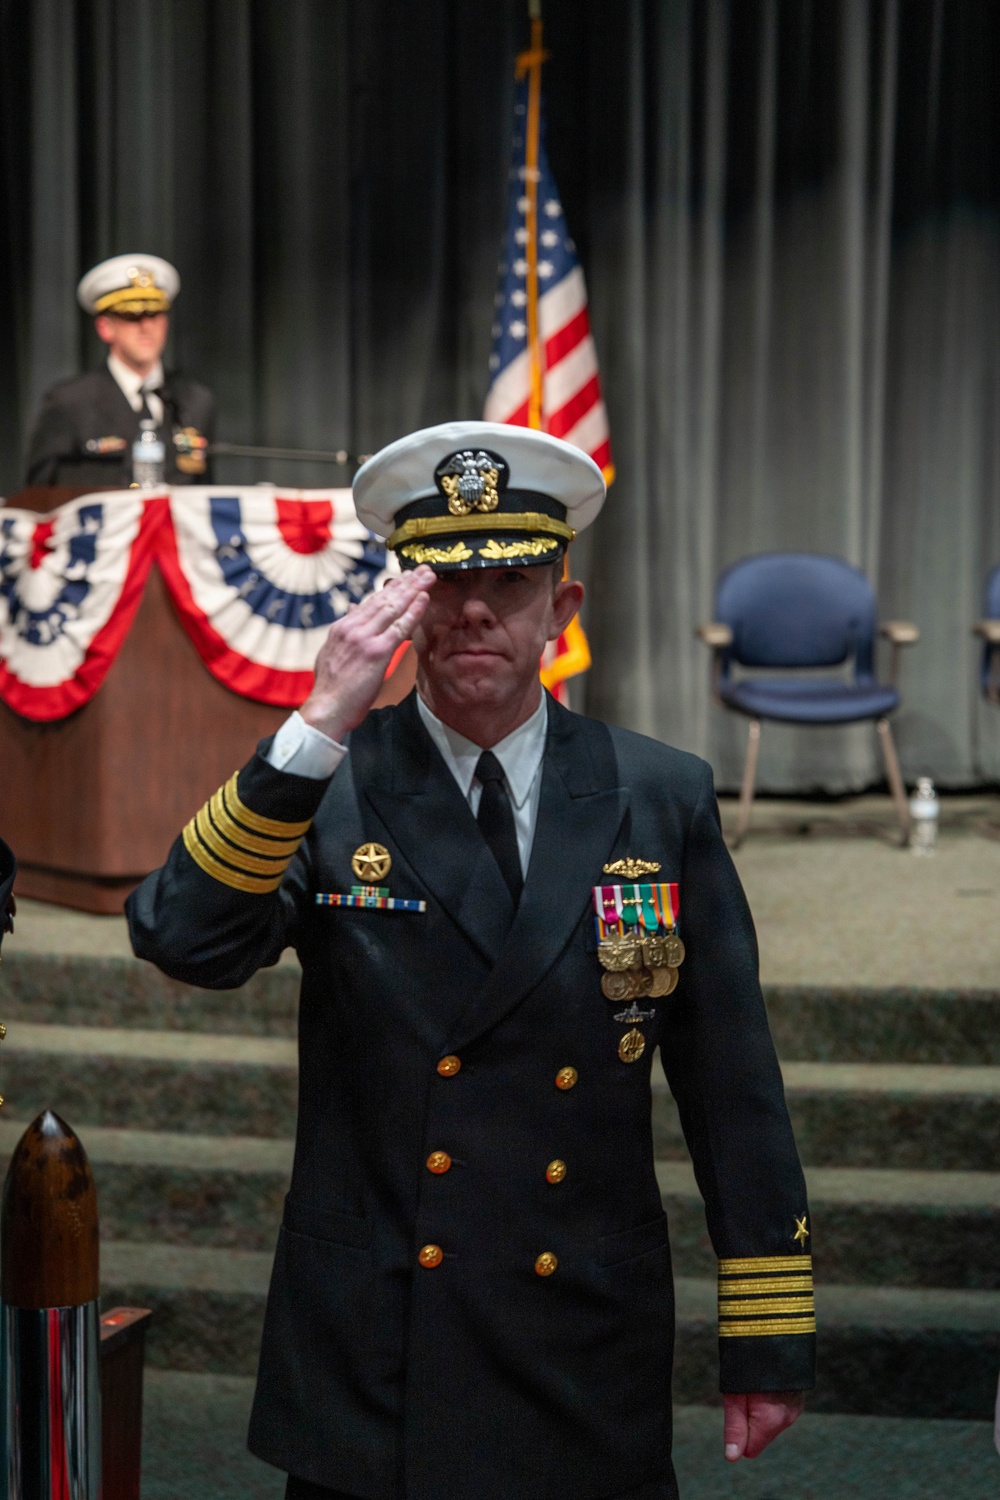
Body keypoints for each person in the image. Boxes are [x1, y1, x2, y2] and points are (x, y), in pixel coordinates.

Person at [127, 421, 815, 1500]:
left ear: (563, 608)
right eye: (443, 582)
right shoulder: (326, 783)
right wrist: (316, 722)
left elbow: (731, 1081)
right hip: (384, 1335)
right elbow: (183, 939)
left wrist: (765, 1332)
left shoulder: (658, 792)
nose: (477, 609)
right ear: (404, 606)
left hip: (579, 1322)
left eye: (512, 578)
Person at [25, 253, 214, 488]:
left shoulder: (194, 400)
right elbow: (40, 499)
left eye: (155, 315)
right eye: (132, 316)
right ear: (105, 327)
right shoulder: (70, 403)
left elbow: (204, 495)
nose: (147, 327)